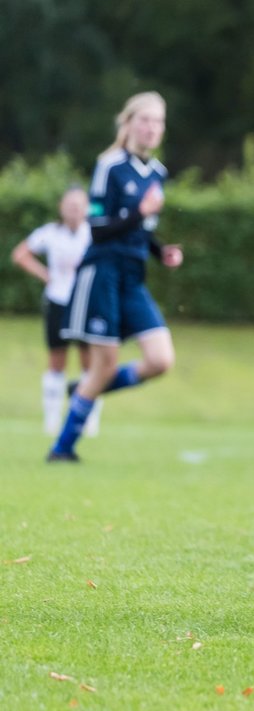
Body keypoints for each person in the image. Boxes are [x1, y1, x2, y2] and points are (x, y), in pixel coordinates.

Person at [46, 91, 183, 463]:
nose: (152, 128)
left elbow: (140, 229)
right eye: (146, 120)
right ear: (129, 123)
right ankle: (62, 448)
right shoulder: (109, 166)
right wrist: (140, 212)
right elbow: (99, 228)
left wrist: (160, 251)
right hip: (102, 273)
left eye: (158, 122)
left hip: (133, 277)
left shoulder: (157, 174)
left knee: (160, 361)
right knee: (103, 365)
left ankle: (86, 389)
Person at [10, 187, 102, 436]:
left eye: (79, 205)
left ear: (86, 208)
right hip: (58, 302)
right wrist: (45, 275)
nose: (74, 210)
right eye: (70, 205)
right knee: (56, 361)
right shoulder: (49, 234)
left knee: (89, 362)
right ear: (62, 207)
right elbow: (20, 254)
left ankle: (88, 419)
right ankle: (51, 420)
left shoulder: (94, 233)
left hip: (86, 303)